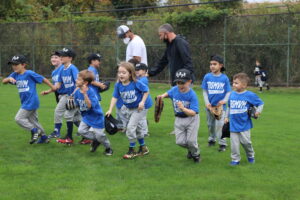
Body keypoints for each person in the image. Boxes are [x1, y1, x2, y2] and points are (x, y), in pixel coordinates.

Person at [2, 55, 55, 144]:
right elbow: (3, 82)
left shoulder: (29, 73)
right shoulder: (15, 74)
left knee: (18, 119)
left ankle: (34, 130)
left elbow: (43, 79)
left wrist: (52, 87)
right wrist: (9, 78)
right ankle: (44, 138)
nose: (14, 66)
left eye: (16, 64)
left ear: (23, 65)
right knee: (33, 121)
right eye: (12, 64)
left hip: (31, 101)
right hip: (25, 102)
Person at [106, 62, 150, 159]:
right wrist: (110, 109)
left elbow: (146, 91)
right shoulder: (118, 85)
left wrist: (142, 102)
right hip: (129, 109)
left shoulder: (136, 83)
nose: (121, 74)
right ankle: (143, 148)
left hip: (139, 109)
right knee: (138, 129)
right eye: (119, 72)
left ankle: (132, 150)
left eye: (124, 72)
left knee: (130, 128)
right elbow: (115, 97)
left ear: (130, 73)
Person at [157, 69, 201, 163]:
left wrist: (183, 108)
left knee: (191, 141)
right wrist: (161, 96)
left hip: (192, 119)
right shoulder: (175, 89)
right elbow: (168, 93)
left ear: (189, 82)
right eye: (178, 82)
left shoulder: (192, 95)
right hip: (178, 119)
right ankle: (192, 148)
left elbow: (194, 112)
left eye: (183, 82)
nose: (180, 85)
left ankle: (196, 155)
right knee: (179, 142)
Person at [225, 73, 264, 166]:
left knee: (246, 143)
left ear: (244, 85)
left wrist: (258, 111)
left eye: (236, 83)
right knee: (234, 145)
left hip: (244, 124)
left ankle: (250, 155)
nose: (233, 84)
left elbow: (261, 103)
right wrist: (226, 117)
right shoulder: (232, 95)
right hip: (233, 124)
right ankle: (235, 159)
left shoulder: (249, 95)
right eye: (233, 82)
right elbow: (229, 107)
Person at [42, 48, 79, 145]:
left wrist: (73, 95)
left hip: (74, 96)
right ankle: (79, 135)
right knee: (71, 115)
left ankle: (70, 137)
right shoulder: (62, 69)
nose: (61, 57)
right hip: (67, 95)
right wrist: (48, 91)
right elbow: (58, 85)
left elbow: (78, 83)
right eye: (61, 55)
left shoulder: (72, 68)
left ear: (70, 58)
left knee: (70, 115)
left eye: (64, 56)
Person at [74, 70, 113, 156]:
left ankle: (108, 148)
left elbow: (89, 106)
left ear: (85, 82)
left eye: (78, 79)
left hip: (97, 117)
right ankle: (97, 140)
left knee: (100, 136)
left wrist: (85, 94)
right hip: (86, 116)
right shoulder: (77, 92)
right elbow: (78, 104)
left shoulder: (91, 92)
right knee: (81, 131)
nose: (76, 80)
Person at [201, 55, 231, 152]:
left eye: (215, 64)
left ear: (220, 65)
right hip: (210, 107)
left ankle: (222, 143)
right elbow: (205, 91)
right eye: (211, 64)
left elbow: (228, 92)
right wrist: (207, 103)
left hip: (221, 107)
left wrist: (224, 101)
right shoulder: (207, 76)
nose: (212, 66)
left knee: (220, 125)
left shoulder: (224, 78)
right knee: (210, 124)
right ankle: (211, 139)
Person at [135, 63, 153, 137]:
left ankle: (145, 132)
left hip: (145, 102)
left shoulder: (143, 80)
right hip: (143, 101)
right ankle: (141, 131)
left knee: (142, 118)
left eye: (139, 70)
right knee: (141, 117)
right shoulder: (140, 78)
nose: (136, 71)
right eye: (136, 70)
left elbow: (136, 86)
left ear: (144, 71)